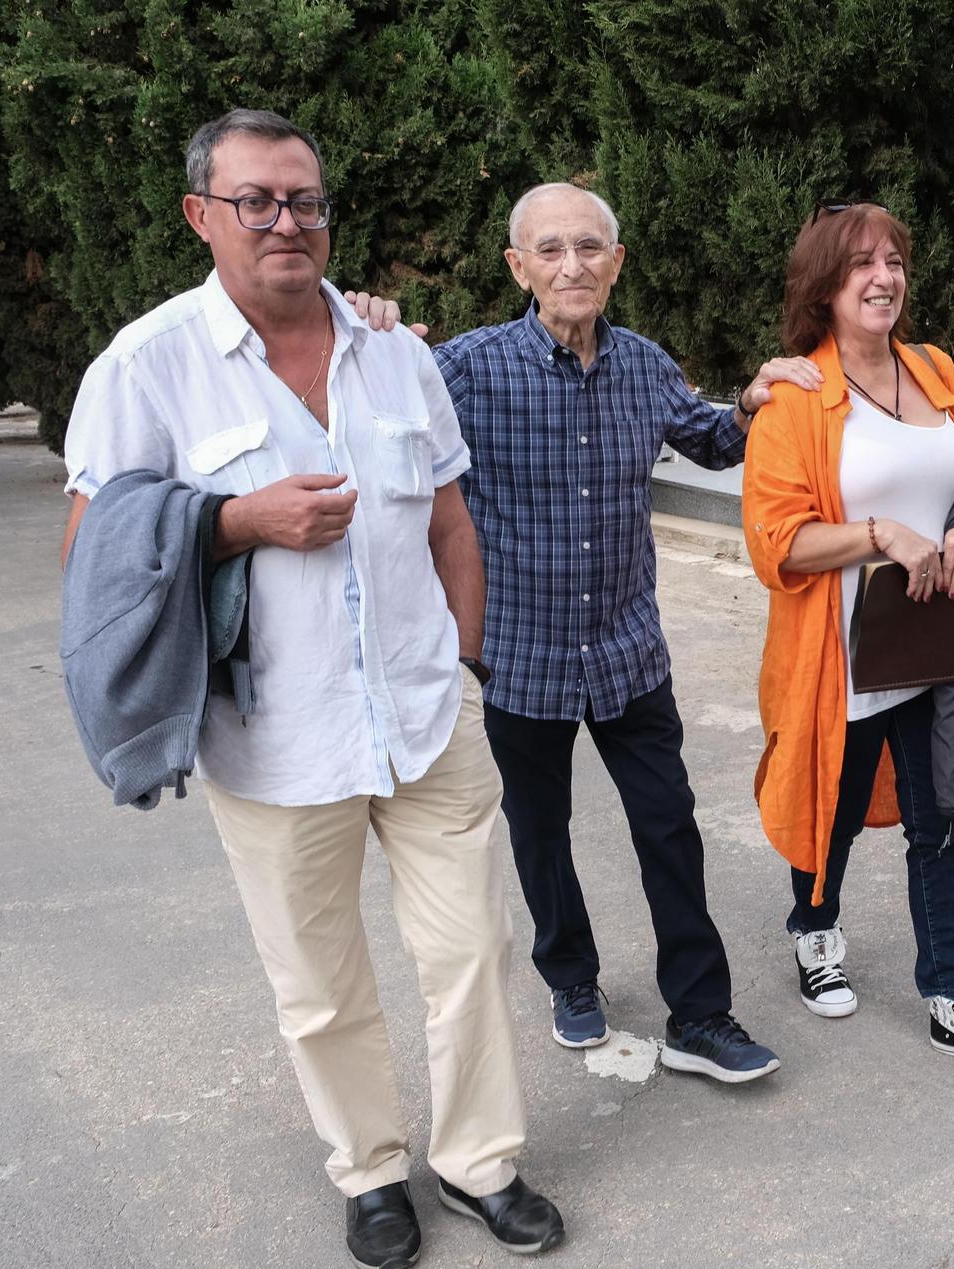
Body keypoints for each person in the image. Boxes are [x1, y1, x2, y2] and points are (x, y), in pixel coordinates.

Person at [58, 109, 560, 1269]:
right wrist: (237, 521)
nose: (287, 221)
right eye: (257, 201)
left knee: (473, 953)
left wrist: (470, 666)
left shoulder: (395, 351)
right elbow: (93, 553)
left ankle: (479, 1159)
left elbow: (449, 522)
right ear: (202, 215)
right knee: (319, 984)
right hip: (276, 740)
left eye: (305, 200)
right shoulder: (147, 364)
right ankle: (371, 1169)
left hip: (431, 719)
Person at [349, 183, 816, 1080]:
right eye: (551, 250)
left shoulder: (643, 364)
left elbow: (714, 439)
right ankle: (571, 976)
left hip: (629, 651)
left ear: (616, 263)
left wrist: (755, 403)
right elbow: (380, 435)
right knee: (541, 831)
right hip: (520, 655)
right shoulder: (470, 370)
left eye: (590, 248)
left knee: (670, 827)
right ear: (518, 267)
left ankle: (701, 1015)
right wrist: (371, 340)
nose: (573, 265)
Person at [739, 202, 954, 1076]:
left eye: (895, 261)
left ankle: (952, 996)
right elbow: (776, 544)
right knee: (830, 809)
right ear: (825, 286)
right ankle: (813, 925)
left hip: (942, 649)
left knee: (940, 818)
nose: (883, 278)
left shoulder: (936, 369)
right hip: (841, 654)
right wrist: (880, 534)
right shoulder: (798, 397)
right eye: (860, 265)